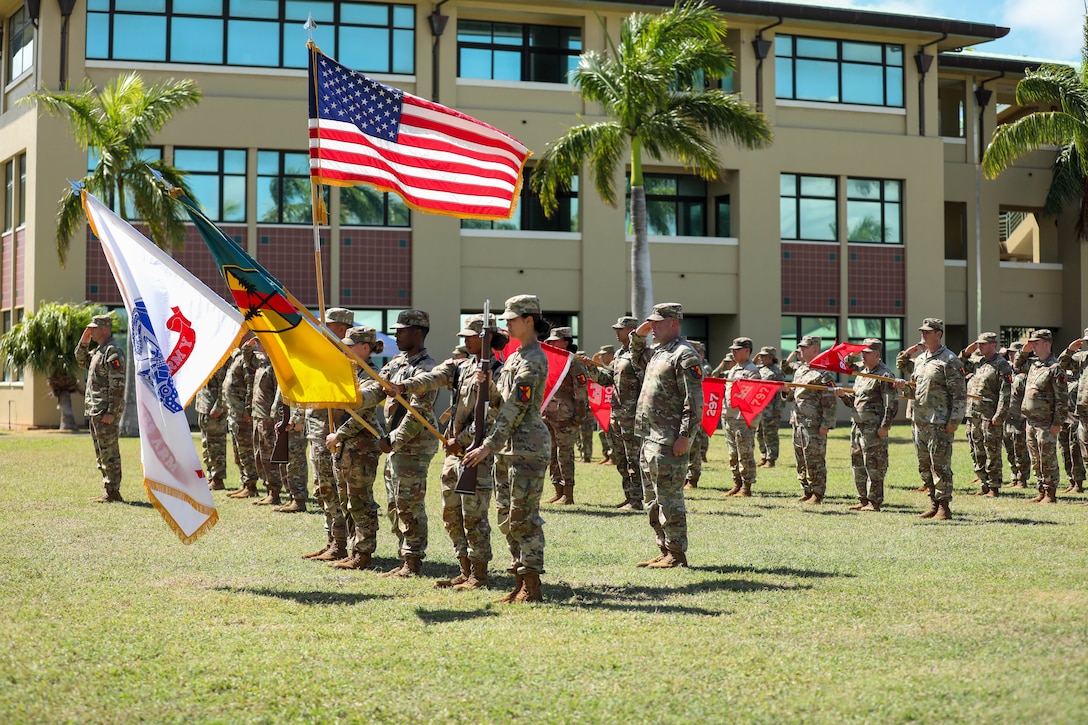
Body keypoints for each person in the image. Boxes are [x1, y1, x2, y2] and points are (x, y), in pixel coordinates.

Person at [395, 313, 506, 590]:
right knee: (451, 513)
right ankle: (464, 568)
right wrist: (402, 387)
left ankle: (479, 574)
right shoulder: (460, 367)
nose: (466, 340)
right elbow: (431, 378)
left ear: (487, 338)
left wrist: (465, 437)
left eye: (471, 335)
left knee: (474, 515)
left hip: (478, 452)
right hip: (454, 452)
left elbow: (498, 413)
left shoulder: (500, 372)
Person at [464, 294, 552, 603]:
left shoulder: (534, 360)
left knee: (523, 517)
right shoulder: (515, 357)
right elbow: (501, 402)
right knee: (506, 515)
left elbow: (516, 409)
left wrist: (487, 447)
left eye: (511, 320)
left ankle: (532, 585)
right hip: (508, 449)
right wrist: (487, 383)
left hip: (526, 448)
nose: (506, 325)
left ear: (529, 321)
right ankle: (519, 581)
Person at [630, 303, 703, 569]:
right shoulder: (659, 352)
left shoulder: (685, 355)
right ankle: (663, 548)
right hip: (649, 436)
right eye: (651, 322)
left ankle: (676, 553)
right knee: (652, 500)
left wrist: (685, 435)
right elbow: (636, 359)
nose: (652, 327)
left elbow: (693, 401)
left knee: (669, 499)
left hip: (669, 439)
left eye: (657, 323)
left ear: (674, 323)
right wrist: (637, 336)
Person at [368, 310, 439, 578]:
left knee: (409, 502)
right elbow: (376, 388)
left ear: (418, 332)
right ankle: (403, 555)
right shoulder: (397, 363)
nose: (396, 334)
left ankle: (413, 560)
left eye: (402, 330)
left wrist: (393, 440)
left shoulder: (426, 369)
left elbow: (418, 412)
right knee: (394, 503)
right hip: (396, 444)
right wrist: (350, 396)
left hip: (414, 444)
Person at [323, 326, 387, 569]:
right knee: (346, 499)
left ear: (364, 348)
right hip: (345, 446)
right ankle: (353, 549)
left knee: (360, 501)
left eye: (349, 345)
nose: (344, 348)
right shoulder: (348, 371)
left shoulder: (371, 375)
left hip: (361, 446)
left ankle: (364, 553)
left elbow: (363, 412)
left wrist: (338, 435)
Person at [895, 318, 967, 520]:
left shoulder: (949, 360)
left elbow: (959, 394)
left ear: (938, 334)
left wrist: (954, 422)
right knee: (924, 464)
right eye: (922, 331)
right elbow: (916, 392)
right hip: (920, 419)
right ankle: (933, 503)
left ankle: (944, 506)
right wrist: (904, 388)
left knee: (940, 464)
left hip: (939, 421)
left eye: (928, 331)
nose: (923, 334)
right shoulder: (920, 360)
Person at [301, 308, 355, 559]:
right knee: (322, 488)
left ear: (342, 329)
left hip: (333, 433)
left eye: (329, 325)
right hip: (316, 431)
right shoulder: (323, 356)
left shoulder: (347, 360)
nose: (322, 329)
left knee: (335, 490)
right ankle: (331, 538)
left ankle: (341, 543)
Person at [583, 316, 645, 509]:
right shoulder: (619, 354)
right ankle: (629, 495)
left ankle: (637, 499)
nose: (617, 332)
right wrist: (591, 368)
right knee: (621, 457)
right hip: (617, 413)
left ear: (632, 330)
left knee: (633, 457)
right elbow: (607, 379)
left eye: (621, 329)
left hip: (632, 415)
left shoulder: (641, 354)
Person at [834, 339, 898, 511]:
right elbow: (855, 400)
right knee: (857, 463)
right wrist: (842, 396)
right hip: (857, 424)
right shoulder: (862, 373)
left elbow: (890, 403)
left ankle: (874, 501)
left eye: (867, 352)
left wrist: (885, 426)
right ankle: (863, 498)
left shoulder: (884, 375)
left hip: (873, 427)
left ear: (877, 355)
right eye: (862, 352)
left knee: (874, 464)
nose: (863, 355)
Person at [75, 313, 126, 503]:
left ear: (104, 328)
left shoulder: (113, 352)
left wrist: (111, 412)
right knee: (101, 451)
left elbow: (118, 385)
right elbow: (81, 361)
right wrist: (84, 341)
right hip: (95, 409)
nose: (91, 330)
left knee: (109, 451)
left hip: (105, 411)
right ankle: (108, 489)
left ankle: (113, 491)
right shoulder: (99, 351)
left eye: (94, 328)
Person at [1013, 329, 1068, 504]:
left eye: (1036, 343)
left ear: (1047, 344)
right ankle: (1040, 490)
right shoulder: (1033, 364)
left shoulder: (1055, 368)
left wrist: (1057, 422)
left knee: (1047, 457)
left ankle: (1050, 493)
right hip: (1031, 421)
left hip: (1046, 422)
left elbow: (1062, 398)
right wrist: (1024, 350)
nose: (1033, 347)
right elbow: (1016, 365)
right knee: (1035, 457)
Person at [959, 332, 1013, 497]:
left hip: (990, 416)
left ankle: (994, 486)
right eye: (979, 344)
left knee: (992, 450)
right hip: (973, 414)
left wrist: (999, 415)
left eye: (983, 344)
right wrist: (967, 352)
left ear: (993, 345)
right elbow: (958, 364)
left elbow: (1005, 393)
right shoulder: (978, 362)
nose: (980, 347)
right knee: (977, 450)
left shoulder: (1001, 365)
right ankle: (983, 484)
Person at [784, 336, 836, 504]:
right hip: (798, 421)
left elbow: (830, 401)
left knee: (814, 458)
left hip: (813, 424)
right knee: (801, 457)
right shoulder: (800, 370)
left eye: (805, 347)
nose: (801, 350)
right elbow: (793, 396)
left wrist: (826, 424)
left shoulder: (823, 373)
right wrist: (785, 391)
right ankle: (806, 489)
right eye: (800, 347)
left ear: (815, 350)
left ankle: (817, 493)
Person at [542, 326, 589, 505]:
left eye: (555, 341)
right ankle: (558, 490)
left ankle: (568, 494)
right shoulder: (550, 361)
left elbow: (581, 392)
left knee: (565, 454)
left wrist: (579, 415)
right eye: (550, 341)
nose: (552, 343)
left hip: (566, 416)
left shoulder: (574, 364)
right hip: (548, 415)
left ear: (566, 342)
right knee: (551, 453)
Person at [721, 337, 761, 497]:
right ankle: (736, 484)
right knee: (733, 453)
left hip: (743, 418)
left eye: (736, 350)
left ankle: (746, 486)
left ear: (747, 351)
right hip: (730, 416)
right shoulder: (734, 369)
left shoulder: (752, 371)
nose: (733, 352)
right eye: (732, 350)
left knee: (745, 453)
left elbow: (753, 396)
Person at [223, 334, 261, 499]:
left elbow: (250, 384)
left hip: (241, 413)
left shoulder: (248, 358)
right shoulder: (236, 356)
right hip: (234, 412)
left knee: (246, 450)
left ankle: (251, 485)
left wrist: (247, 410)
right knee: (238, 451)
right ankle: (245, 483)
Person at [250, 339, 285, 507]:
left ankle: (275, 491)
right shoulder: (262, 362)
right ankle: (269, 490)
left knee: (269, 455)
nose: (257, 344)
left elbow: (280, 392)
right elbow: (247, 356)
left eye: (260, 341)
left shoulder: (275, 364)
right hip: (258, 416)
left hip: (268, 418)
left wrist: (273, 416)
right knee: (260, 456)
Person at [1057, 328, 1088, 494]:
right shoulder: (1082, 358)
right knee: (1080, 452)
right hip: (1082, 413)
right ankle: (1076, 483)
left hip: (1080, 415)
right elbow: (1062, 364)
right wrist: (1070, 350)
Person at [194, 360, 228, 491]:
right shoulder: (205, 358)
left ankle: (217, 479)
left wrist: (219, 407)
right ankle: (211, 476)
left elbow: (224, 386)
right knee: (207, 446)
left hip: (214, 410)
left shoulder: (219, 359)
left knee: (216, 445)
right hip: (204, 407)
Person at [684, 340, 712, 490]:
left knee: (693, 445)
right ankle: (683, 477)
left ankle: (692, 479)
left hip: (694, 409)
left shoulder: (698, 368)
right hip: (681, 409)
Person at [1004, 342, 1031, 489]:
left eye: (1014, 352)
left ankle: (1022, 479)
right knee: (1010, 449)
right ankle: (1014, 477)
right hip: (1007, 417)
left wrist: (1026, 418)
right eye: (1010, 353)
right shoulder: (1008, 372)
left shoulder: (1025, 375)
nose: (1011, 355)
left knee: (1020, 450)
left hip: (1019, 417)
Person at [754, 346, 786, 468]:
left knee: (770, 434)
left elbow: (780, 393)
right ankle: (763, 456)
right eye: (760, 356)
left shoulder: (777, 373)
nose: (761, 358)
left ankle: (771, 459)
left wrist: (778, 409)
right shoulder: (759, 370)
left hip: (771, 409)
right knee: (759, 433)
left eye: (764, 356)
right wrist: (754, 359)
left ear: (771, 357)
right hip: (759, 407)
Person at [593, 345, 616, 465]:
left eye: (603, 354)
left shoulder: (615, 363)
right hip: (604, 404)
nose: (601, 356)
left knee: (611, 432)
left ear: (610, 354)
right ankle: (607, 454)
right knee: (603, 432)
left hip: (613, 405)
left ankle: (613, 456)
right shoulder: (605, 367)